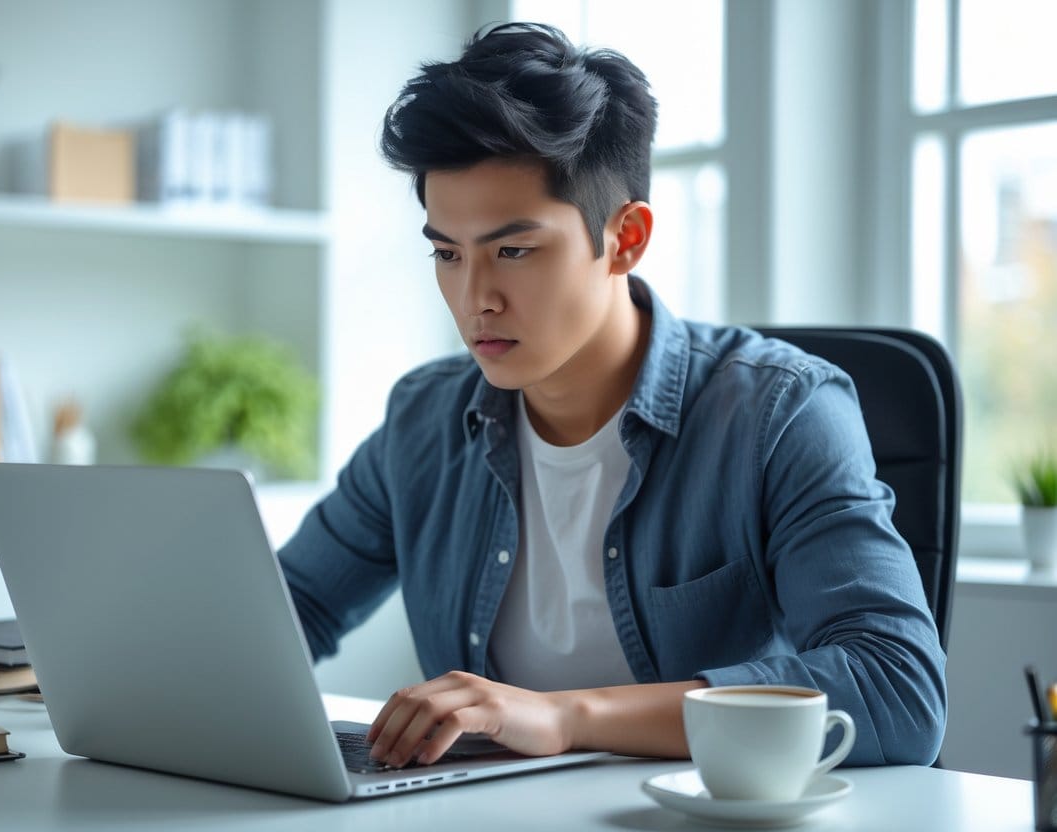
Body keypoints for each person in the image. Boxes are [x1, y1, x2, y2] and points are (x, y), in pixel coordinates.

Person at [278, 22, 945, 770]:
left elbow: (897, 690)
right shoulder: (424, 420)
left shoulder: (781, 413)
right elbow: (287, 609)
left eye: (514, 251)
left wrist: (567, 717)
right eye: (446, 253)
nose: (474, 300)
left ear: (625, 238)